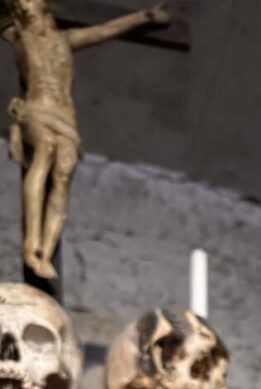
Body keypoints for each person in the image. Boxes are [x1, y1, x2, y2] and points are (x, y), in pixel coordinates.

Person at [2, 0, 169, 278]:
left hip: (65, 116)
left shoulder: (66, 40)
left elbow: (105, 30)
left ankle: (46, 249)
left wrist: (145, 16)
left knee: (65, 171)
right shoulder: (21, 39)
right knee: (45, 151)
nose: (27, 5)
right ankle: (30, 246)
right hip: (37, 109)